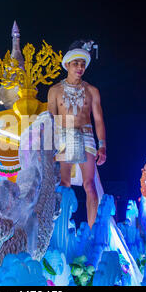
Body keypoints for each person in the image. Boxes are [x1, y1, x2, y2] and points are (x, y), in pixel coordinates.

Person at [47, 39, 106, 229]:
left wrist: (103, 145)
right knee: (64, 184)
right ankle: (60, 229)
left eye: (83, 64)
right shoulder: (55, 91)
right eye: (75, 63)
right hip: (66, 137)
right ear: (67, 64)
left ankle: (91, 231)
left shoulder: (92, 91)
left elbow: (98, 119)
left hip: (87, 136)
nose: (80, 67)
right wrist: (49, 147)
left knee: (90, 185)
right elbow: (50, 120)